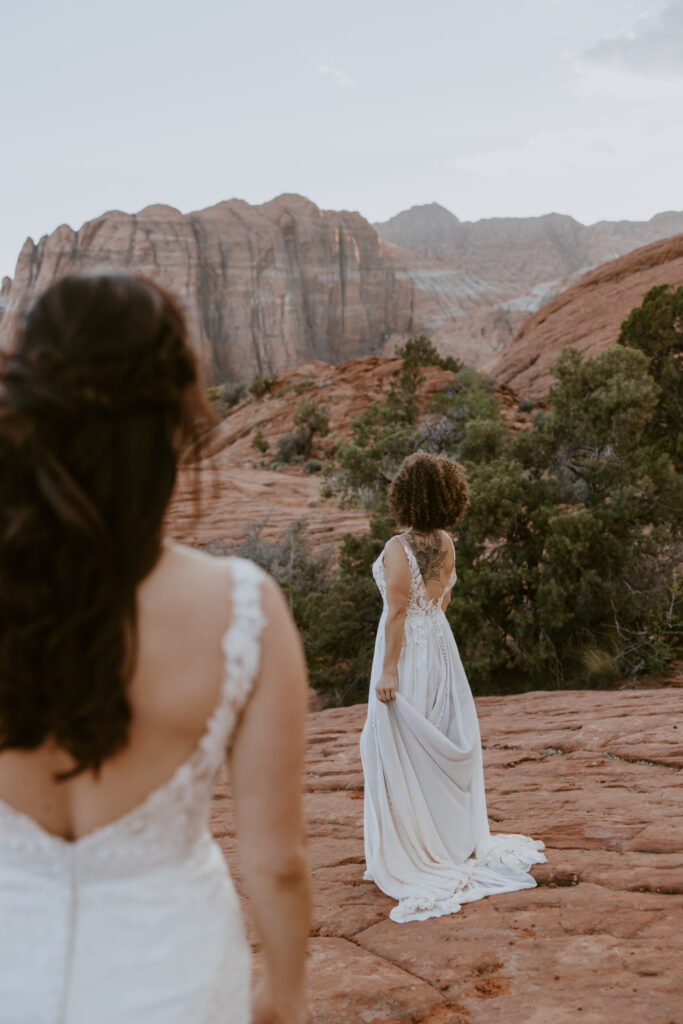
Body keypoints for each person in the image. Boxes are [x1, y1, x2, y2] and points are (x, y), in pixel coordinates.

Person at [0, 272, 310, 1024]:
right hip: (173, 979)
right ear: (175, 414)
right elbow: (277, 862)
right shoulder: (241, 607)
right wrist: (286, 996)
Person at [360, 451, 545, 923]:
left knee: (398, 744)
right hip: (440, 647)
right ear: (447, 495)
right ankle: (444, 840)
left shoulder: (397, 548)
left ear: (404, 493)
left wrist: (389, 670)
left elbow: (398, 612)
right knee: (434, 740)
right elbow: (442, 602)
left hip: (406, 651)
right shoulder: (447, 543)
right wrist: (430, 645)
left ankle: (417, 849)